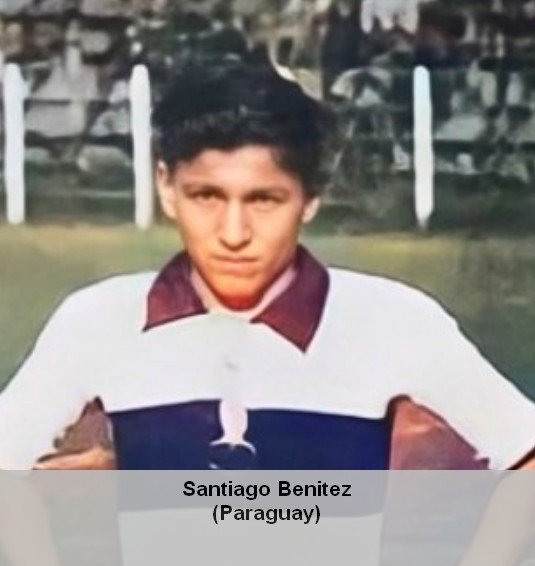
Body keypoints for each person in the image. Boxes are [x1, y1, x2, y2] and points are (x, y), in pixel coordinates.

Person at [1, 61, 535, 470]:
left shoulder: (391, 318)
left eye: (264, 200)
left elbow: (524, 449)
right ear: (165, 185)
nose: (234, 234)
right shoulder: (99, 319)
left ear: (310, 199)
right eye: (207, 196)